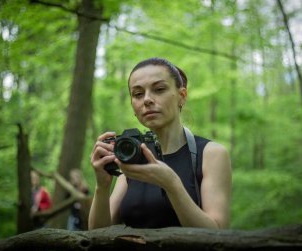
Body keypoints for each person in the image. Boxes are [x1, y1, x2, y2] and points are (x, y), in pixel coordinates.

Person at [88, 57, 232, 229]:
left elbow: (217, 235)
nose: (147, 99)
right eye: (138, 94)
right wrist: (102, 186)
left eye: (159, 89)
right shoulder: (133, 156)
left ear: (182, 96)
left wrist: (171, 183)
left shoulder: (211, 154)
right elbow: (97, 234)